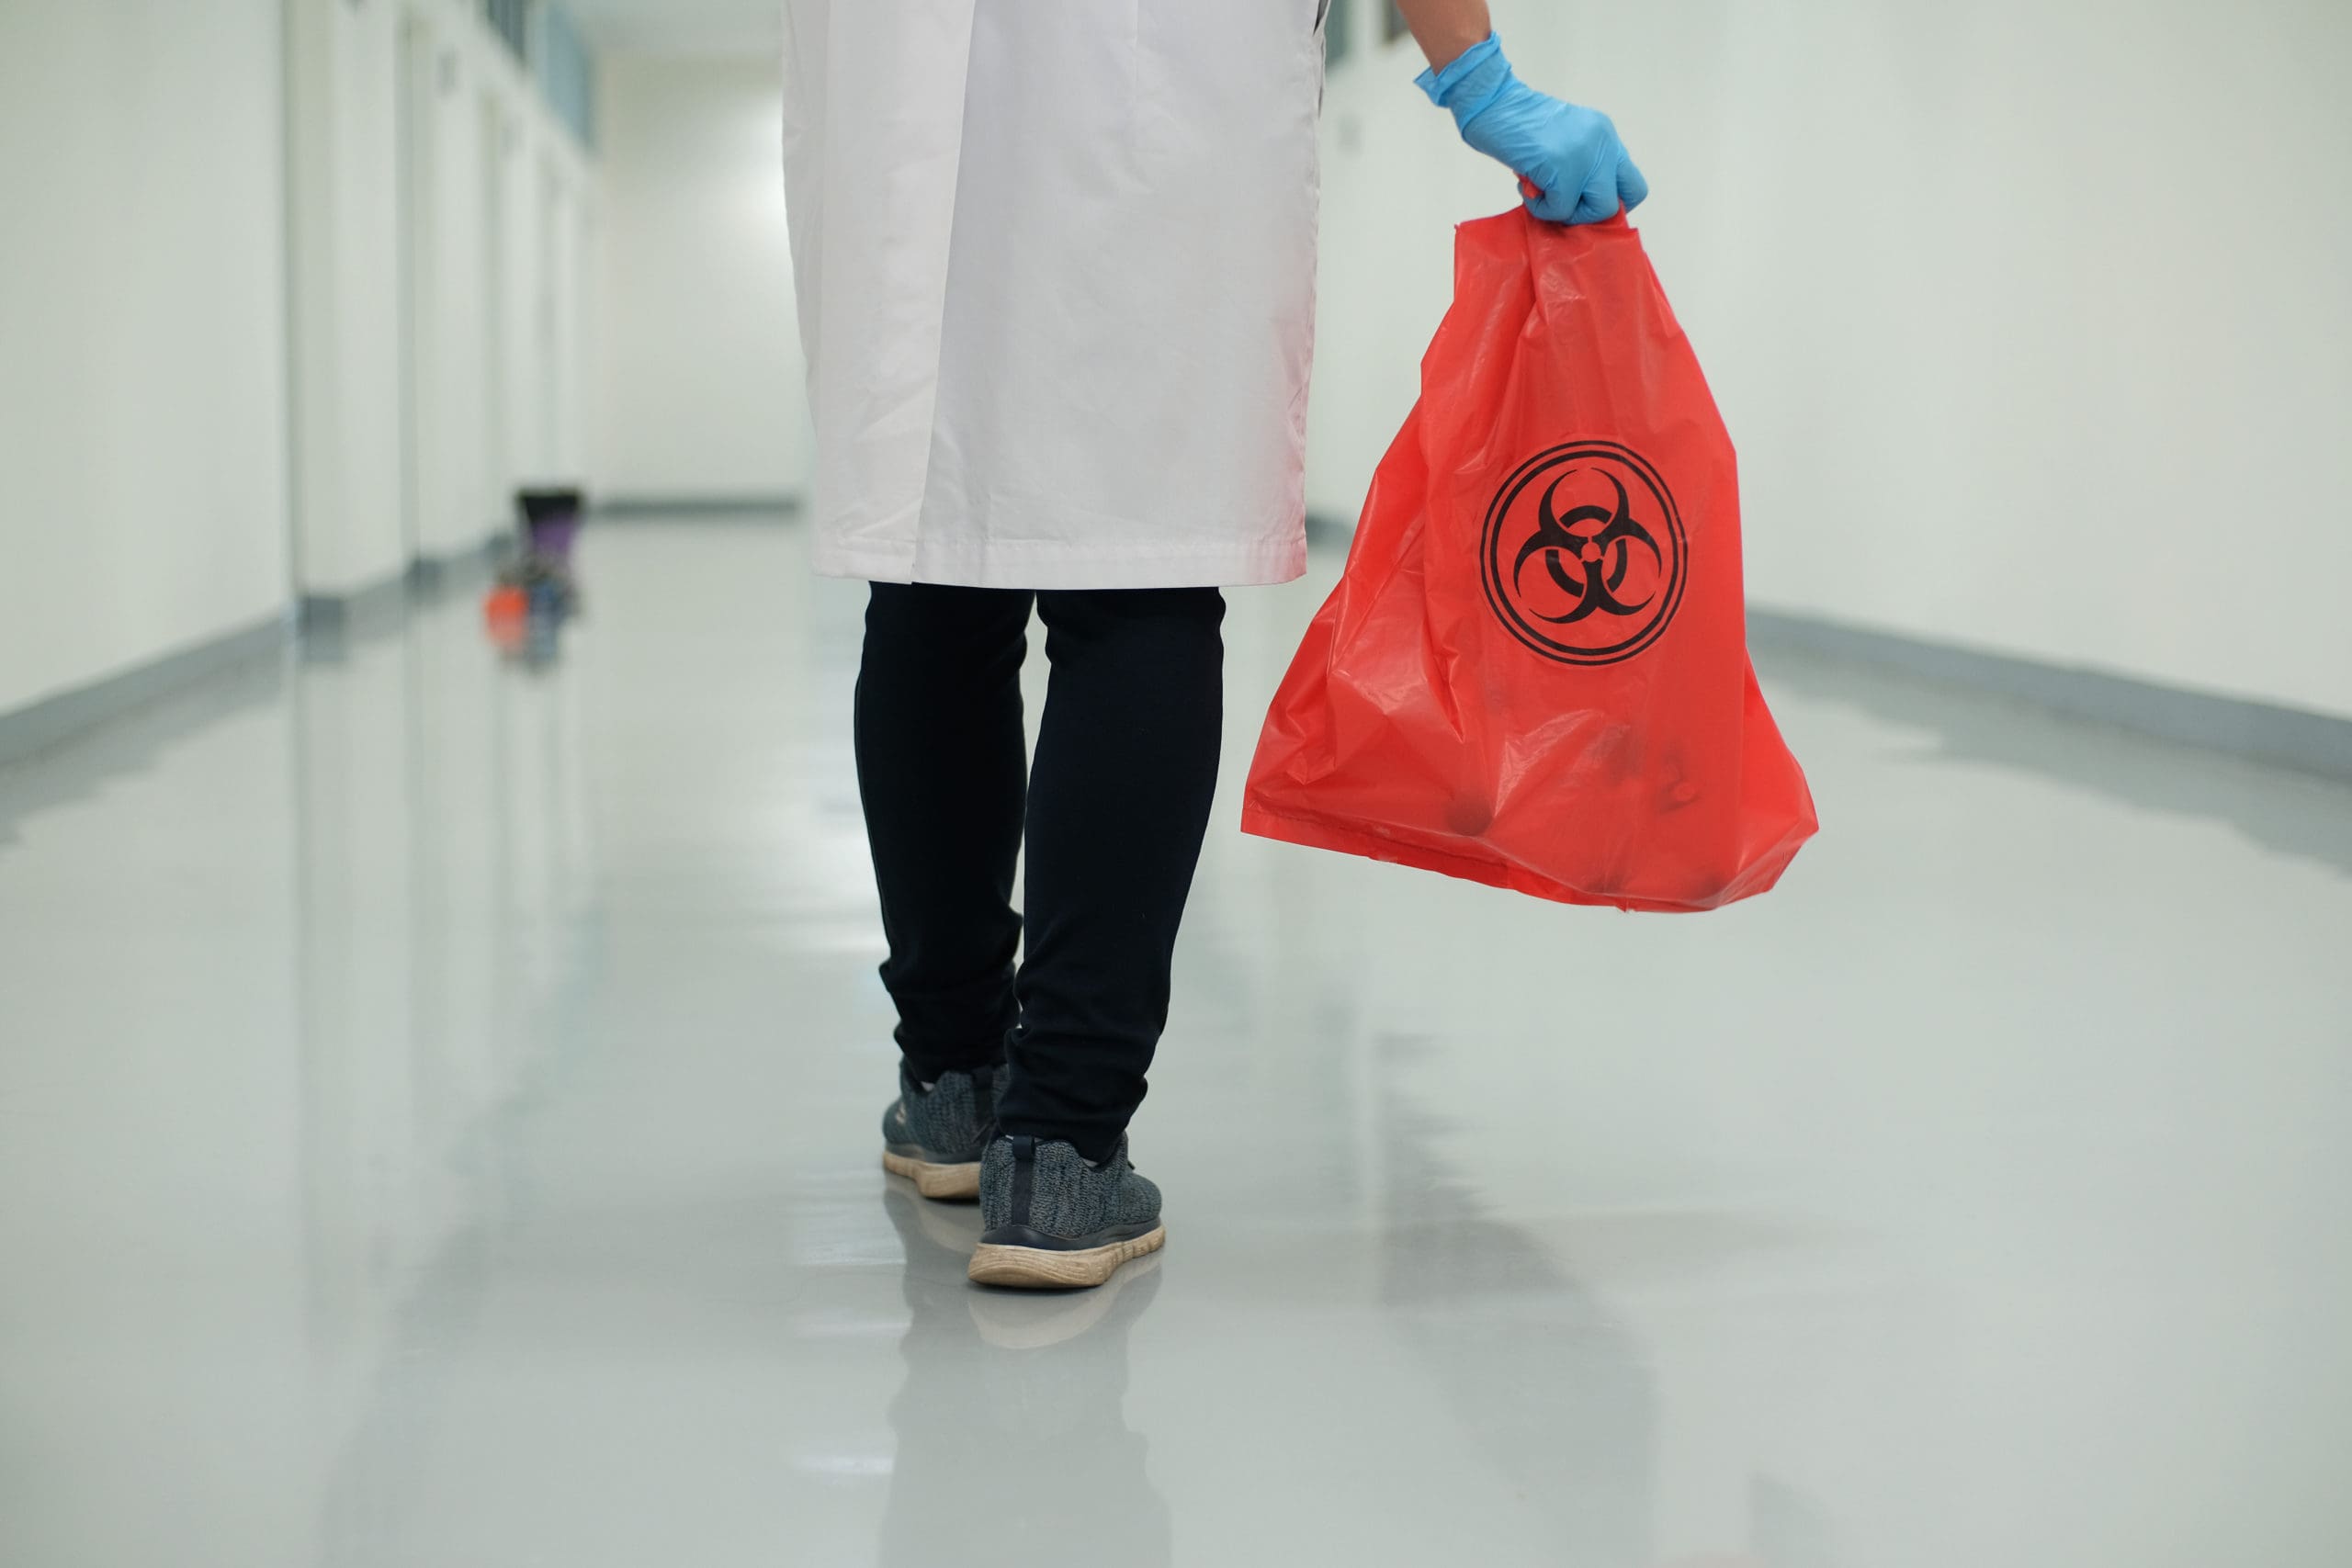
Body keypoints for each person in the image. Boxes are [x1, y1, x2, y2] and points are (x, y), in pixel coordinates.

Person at [779, 0, 1646, 1290]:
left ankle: (952, 1085)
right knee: (1139, 574)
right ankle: (1061, 1153)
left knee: (931, 568)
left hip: (897, 84)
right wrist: (1478, 77)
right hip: (1158, 83)